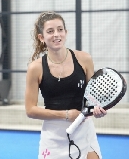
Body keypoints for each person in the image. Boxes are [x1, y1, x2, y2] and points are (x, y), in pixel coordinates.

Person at [25, 11, 107, 159]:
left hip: (84, 129)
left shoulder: (85, 59)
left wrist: (97, 110)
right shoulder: (35, 68)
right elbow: (30, 110)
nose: (56, 34)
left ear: (66, 32)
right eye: (50, 31)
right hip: (53, 136)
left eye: (60, 29)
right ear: (41, 37)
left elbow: (92, 98)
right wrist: (66, 115)